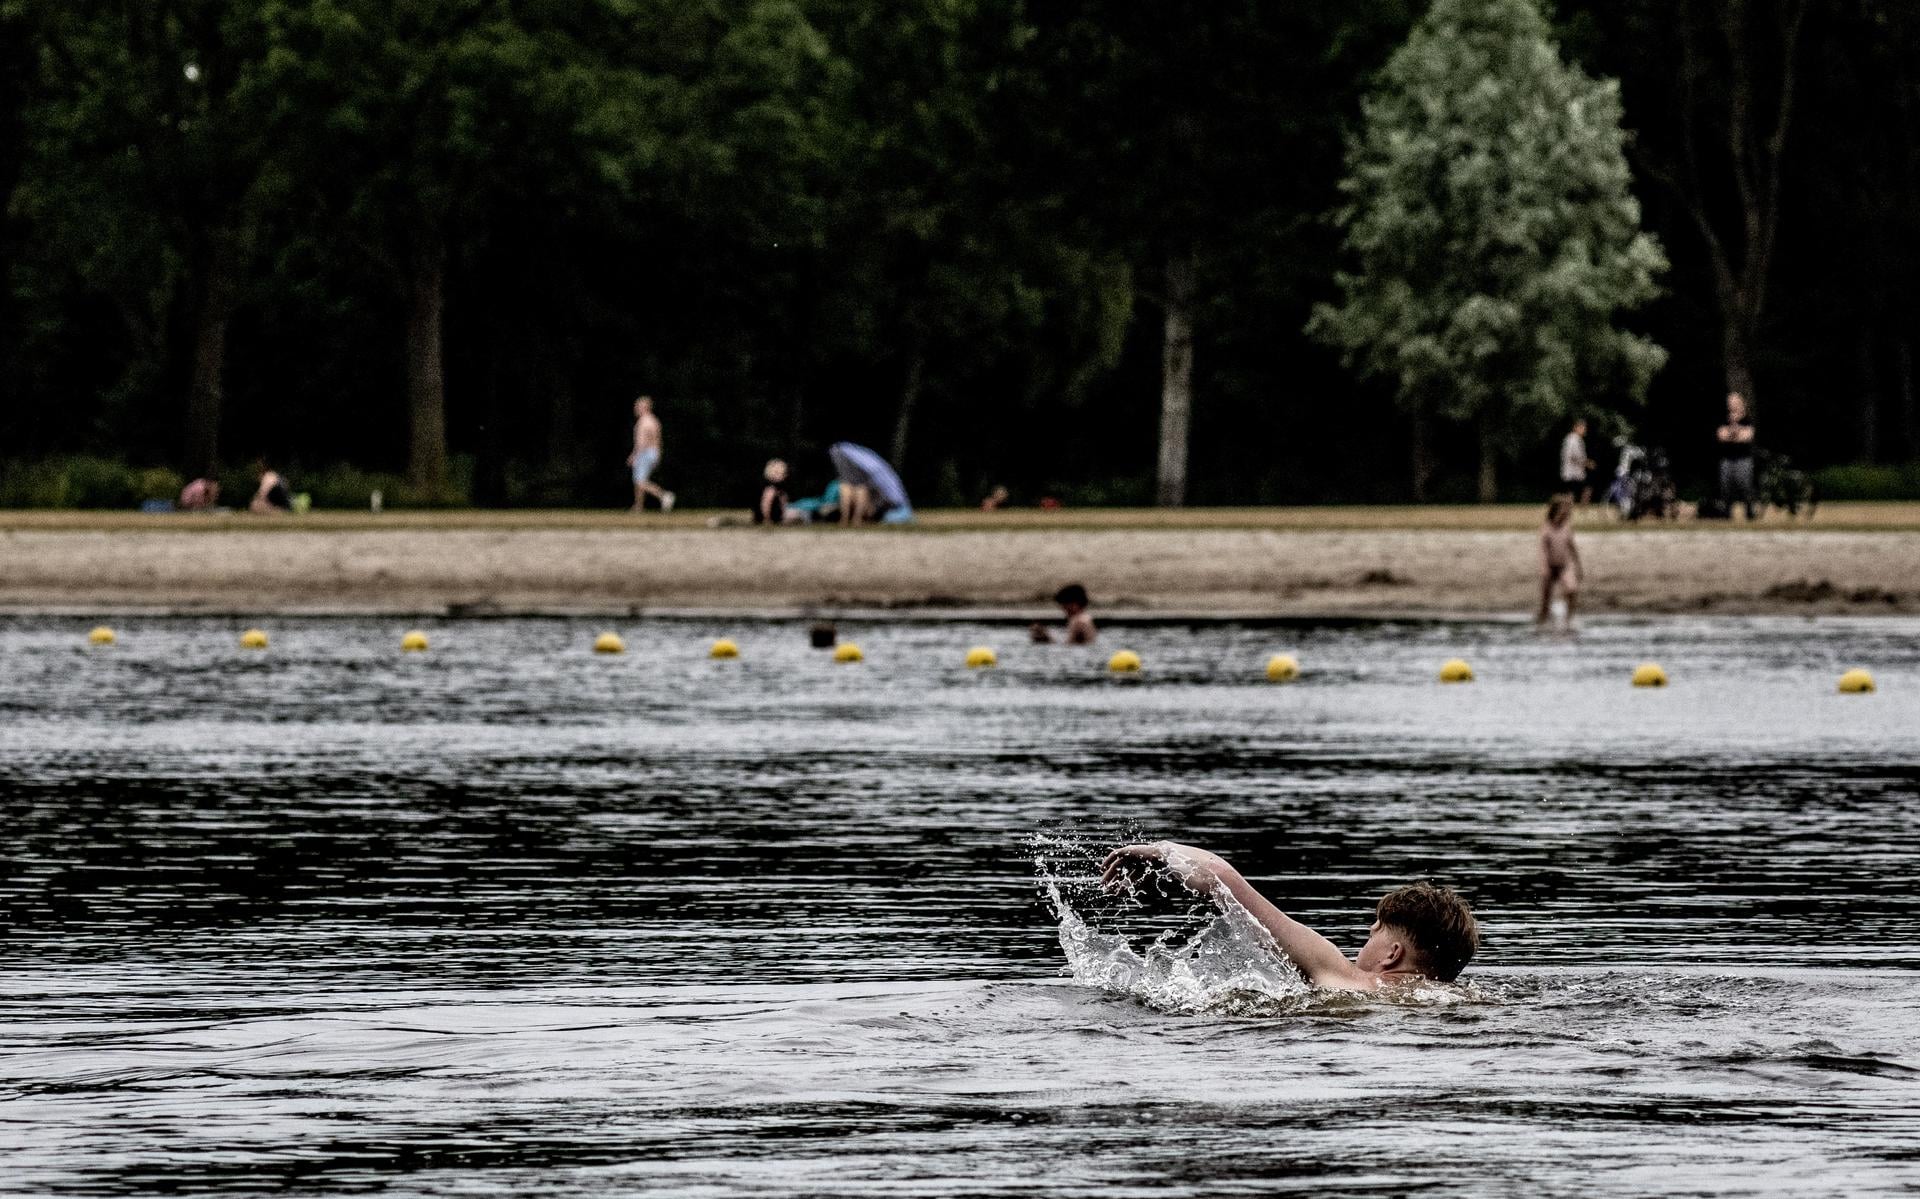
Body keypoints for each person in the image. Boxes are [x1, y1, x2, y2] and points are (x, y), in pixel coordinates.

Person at [1101, 841, 1478, 990]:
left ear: (1392, 954)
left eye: (1372, 932)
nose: (1364, 941)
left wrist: (1161, 851)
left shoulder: (1353, 979)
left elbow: (1223, 879)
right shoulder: (1456, 998)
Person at [1536, 494, 1581, 625]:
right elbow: (1542, 550)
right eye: (1564, 508)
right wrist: (1544, 567)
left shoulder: (1567, 527)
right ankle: (1542, 622)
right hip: (1549, 567)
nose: (1566, 511)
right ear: (1556, 510)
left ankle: (1569, 619)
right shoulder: (1546, 527)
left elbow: (1572, 548)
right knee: (1545, 602)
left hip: (1564, 566)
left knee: (1572, 589)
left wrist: (1578, 566)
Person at [627, 395, 676, 513]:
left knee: (640, 481)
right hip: (654, 452)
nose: (636, 408)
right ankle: (638, 507)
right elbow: (658, 440)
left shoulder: (643, 422)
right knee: (639, 480)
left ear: (645, 407)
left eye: (638, 406)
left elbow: (641, 442)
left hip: (645, 452)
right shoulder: (654, 421)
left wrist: (634, 455)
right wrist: (658, 454)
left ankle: (664, 495)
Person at [1716, 391, 1757, 520]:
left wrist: (1732, 433)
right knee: (1725, 487)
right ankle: (1727, 513)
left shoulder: (1747, 419)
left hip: (1743, 459)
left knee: (1745, 486)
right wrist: (1734, 433)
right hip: (1727, 459)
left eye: (1734, 401)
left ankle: (1749, 512)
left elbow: (1748, 436)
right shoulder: (1723, 418)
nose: (1732, 404)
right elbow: (1721, 435)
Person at [1030, 582, 1097, 645]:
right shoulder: (1087, 618)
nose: (1063, 609)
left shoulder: (1077, 621)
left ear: (1073, 604)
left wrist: (1045, 638)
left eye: (1064, 605)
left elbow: (1068, 645)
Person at [1560, 418, 1594, 505]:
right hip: (1572, 472)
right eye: (1582, 428)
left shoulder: (1573, 439)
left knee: (1571, 493)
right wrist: (1587, 463)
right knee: (1585, 489)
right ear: (1576, 427)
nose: (1584, 430)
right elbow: (1573, 457)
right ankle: (1580, 511)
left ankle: (1569, 510)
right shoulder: (1573, 439)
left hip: (1573, 472)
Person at [755, 459, 790, 525]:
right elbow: (765, 505)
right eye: (778, 473)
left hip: (776, 517)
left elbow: (784, 504)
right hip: (766, 517)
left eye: (784, 473)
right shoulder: (770, 489)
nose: (783, 476)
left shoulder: (780, 490)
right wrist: (767, 519)